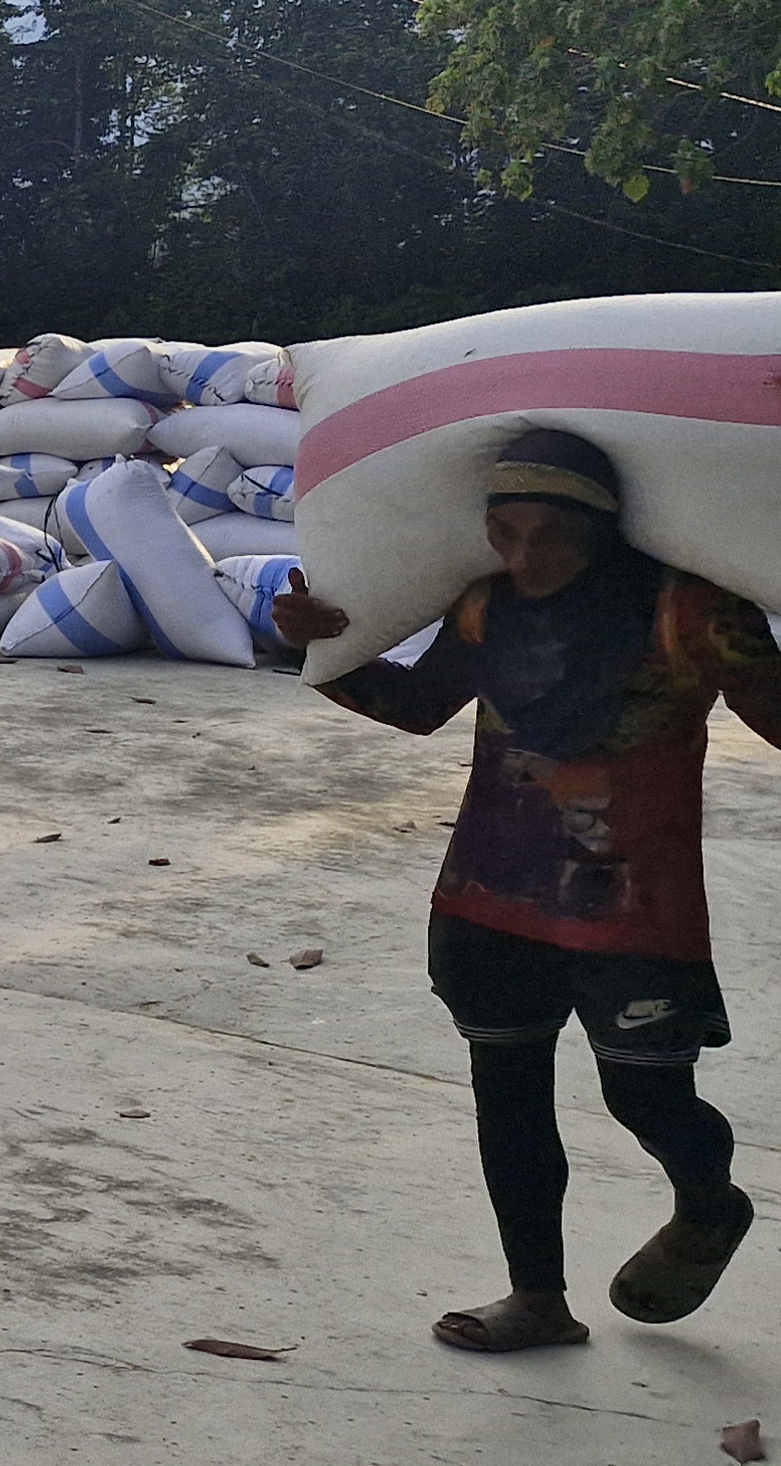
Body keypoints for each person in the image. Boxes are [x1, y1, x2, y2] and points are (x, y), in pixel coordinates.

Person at [273, 428, 781, 1353]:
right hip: (486, 896)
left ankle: (708, 1202)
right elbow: (421, 708)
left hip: (634, 910)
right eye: (504, 531)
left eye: (550, 532)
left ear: (603, 527)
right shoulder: (483, 607)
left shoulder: (693, 611)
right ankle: (538, 1299)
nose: (525, 554)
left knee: (649, 1100)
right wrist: (320, 656)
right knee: (507, 1094)